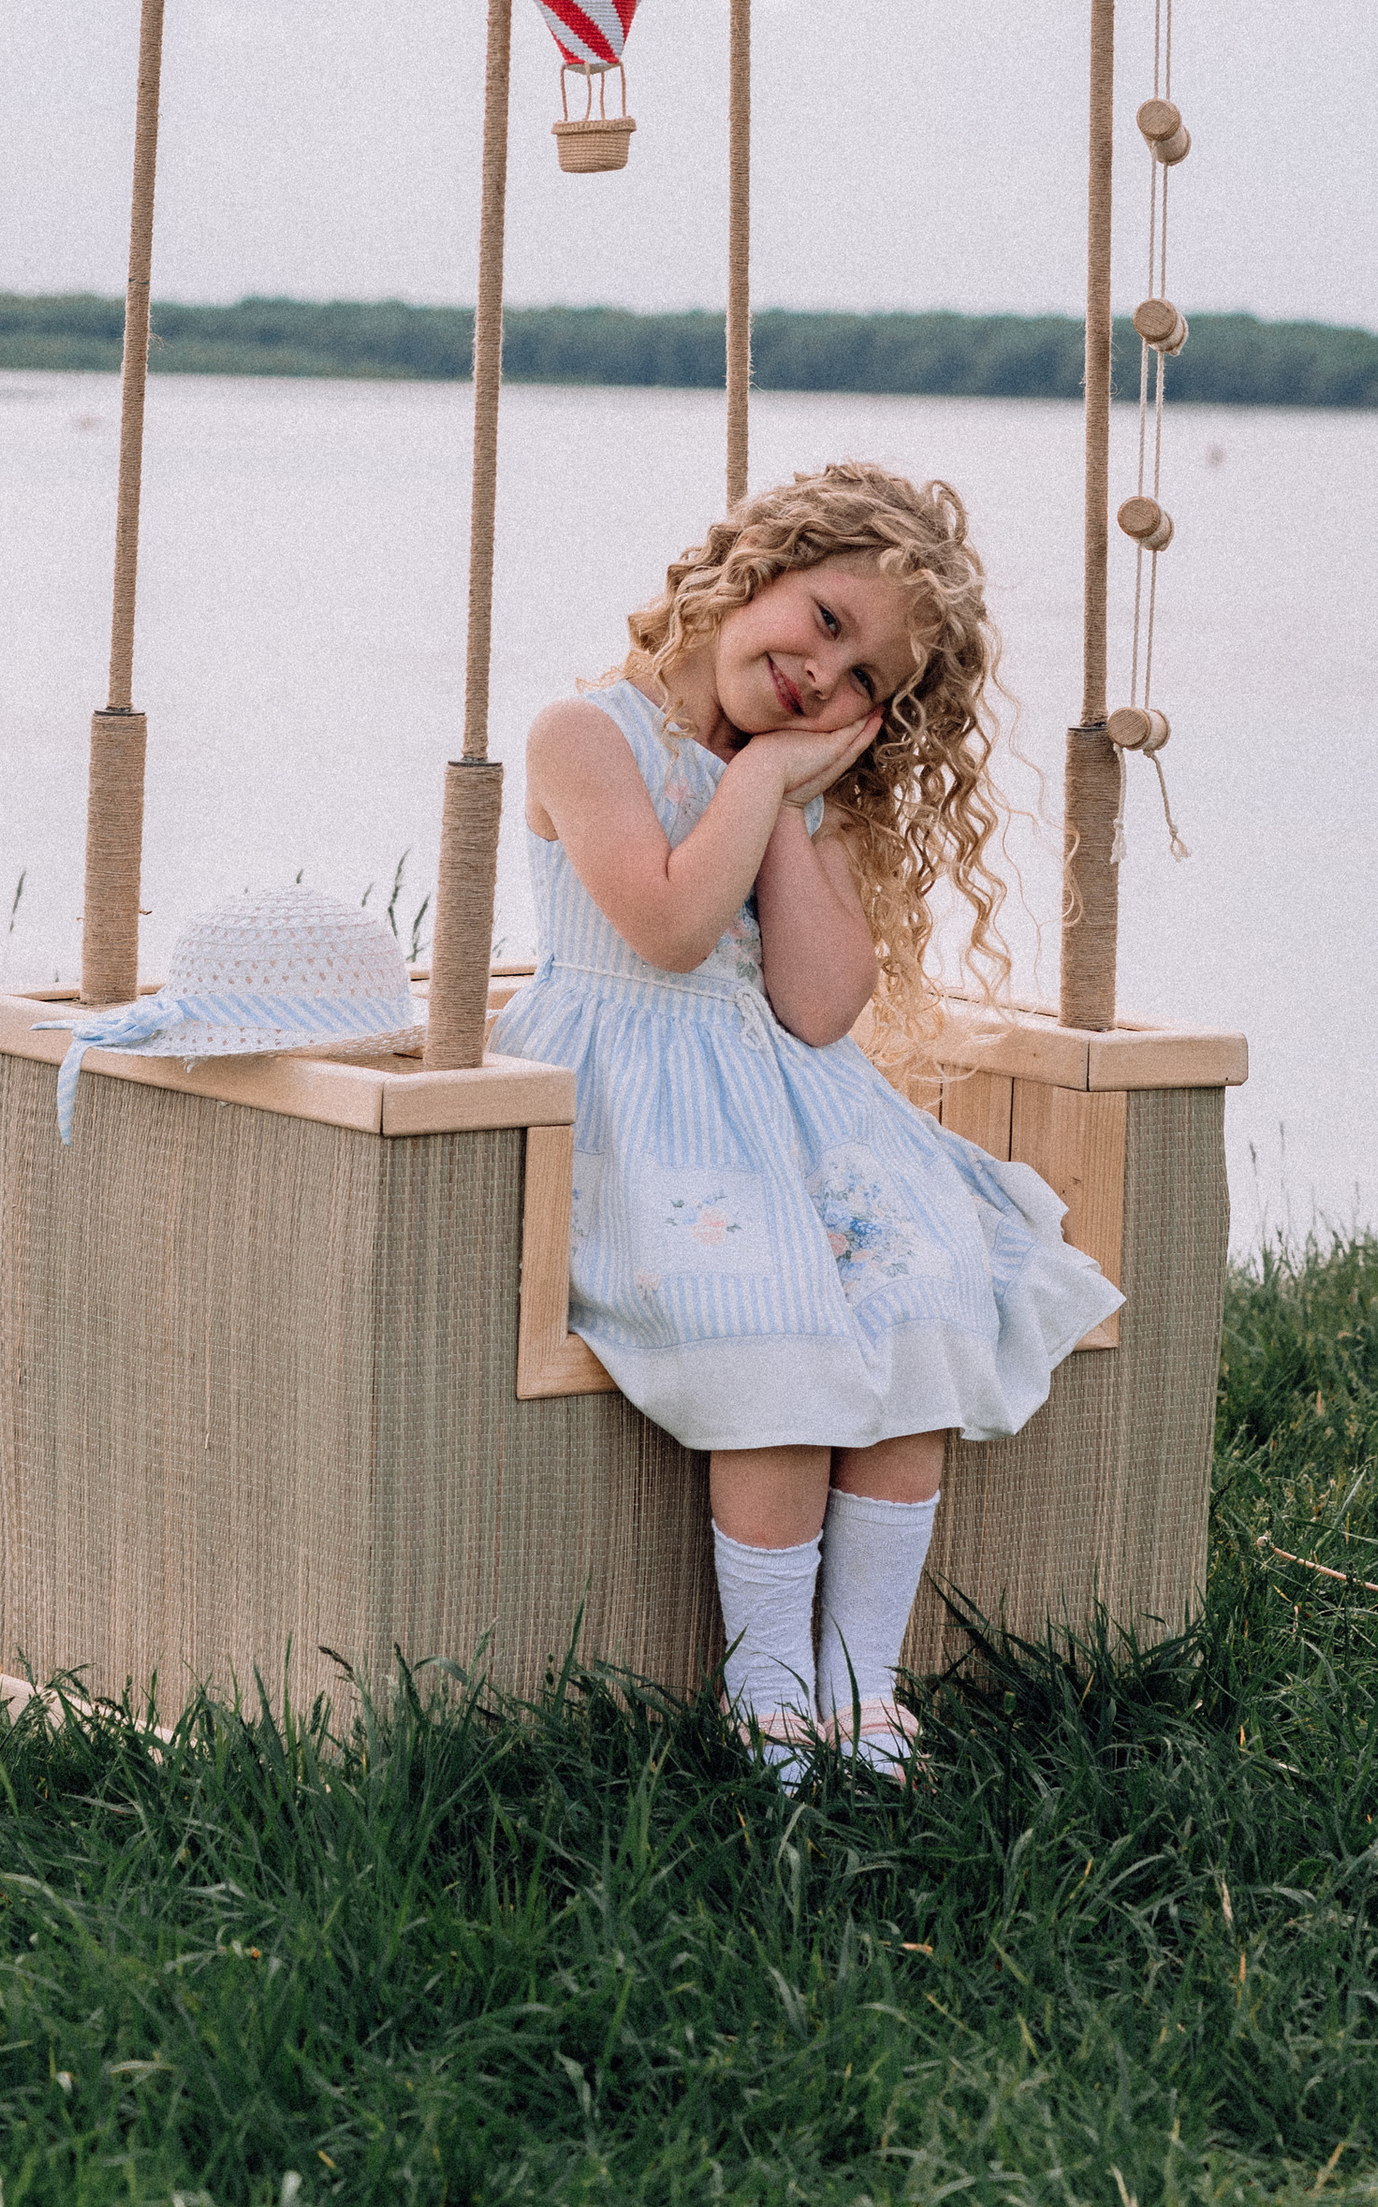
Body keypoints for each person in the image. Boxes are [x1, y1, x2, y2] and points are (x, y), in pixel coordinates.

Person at [495, 460, 1120, 1777]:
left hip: (788, 1103)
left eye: (861, 679)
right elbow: (671, 927)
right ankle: (769, 1688)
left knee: (921, 1288)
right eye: (825, 620)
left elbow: (822, 1004)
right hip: (640, 1107)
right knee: (768, 1317)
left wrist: (786, 797)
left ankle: (859, 1684)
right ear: (758, 570)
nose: (819, 676)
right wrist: (766, 773)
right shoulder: (585, 734)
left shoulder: (793, 795)